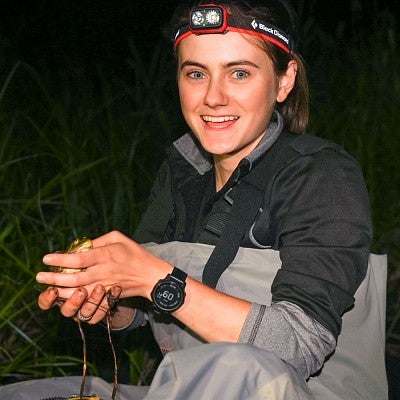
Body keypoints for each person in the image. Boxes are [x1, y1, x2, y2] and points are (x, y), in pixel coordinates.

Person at [1, 1, 388, 399]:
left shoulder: (322, 175)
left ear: (284, 81)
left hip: (297, 390)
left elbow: (299, 347)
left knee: (235, 366)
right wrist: (105, 301)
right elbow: (151, 312)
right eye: (196, 73)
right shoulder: (181, 172)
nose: (213, 97)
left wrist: (154, 277)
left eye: (239, 73)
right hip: (196, 387)